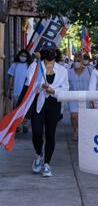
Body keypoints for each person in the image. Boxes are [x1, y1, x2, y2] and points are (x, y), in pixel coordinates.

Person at [27, 47, 69, 177]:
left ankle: (47, 164)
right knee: (37, 132)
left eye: (53, 52)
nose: (50, 54)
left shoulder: (62, 70)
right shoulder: (35, 66)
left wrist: (54, 91)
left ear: (56, 54)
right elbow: (30, 82)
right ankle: (38, 154)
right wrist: (41, 86)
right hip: (38, 103)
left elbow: (65, 88)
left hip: (54, 104)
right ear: (43, 54)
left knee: (50, 134)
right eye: (47, 52)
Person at [68, 52, 92, 141]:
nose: (76, 62)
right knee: (74, 116)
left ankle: (81, 131)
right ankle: (75, 130)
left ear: (82, 61)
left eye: (78, 60)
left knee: (83, 116)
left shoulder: (89, 70)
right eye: (75, 61)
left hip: (85, 97)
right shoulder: (69, 72)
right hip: (72, 97)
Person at [7, 49, 32, 133]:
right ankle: (18, 125)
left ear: (27, 57)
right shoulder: (15, 65)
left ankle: (24, 125)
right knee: (16, 109)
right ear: (19, 56)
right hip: (16, 91)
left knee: (25, 109)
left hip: (26, 91)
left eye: (25, 56)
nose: (23, 57)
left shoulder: (29, 66)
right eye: (22, 55)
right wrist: (9, 89)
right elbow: (11, 77)